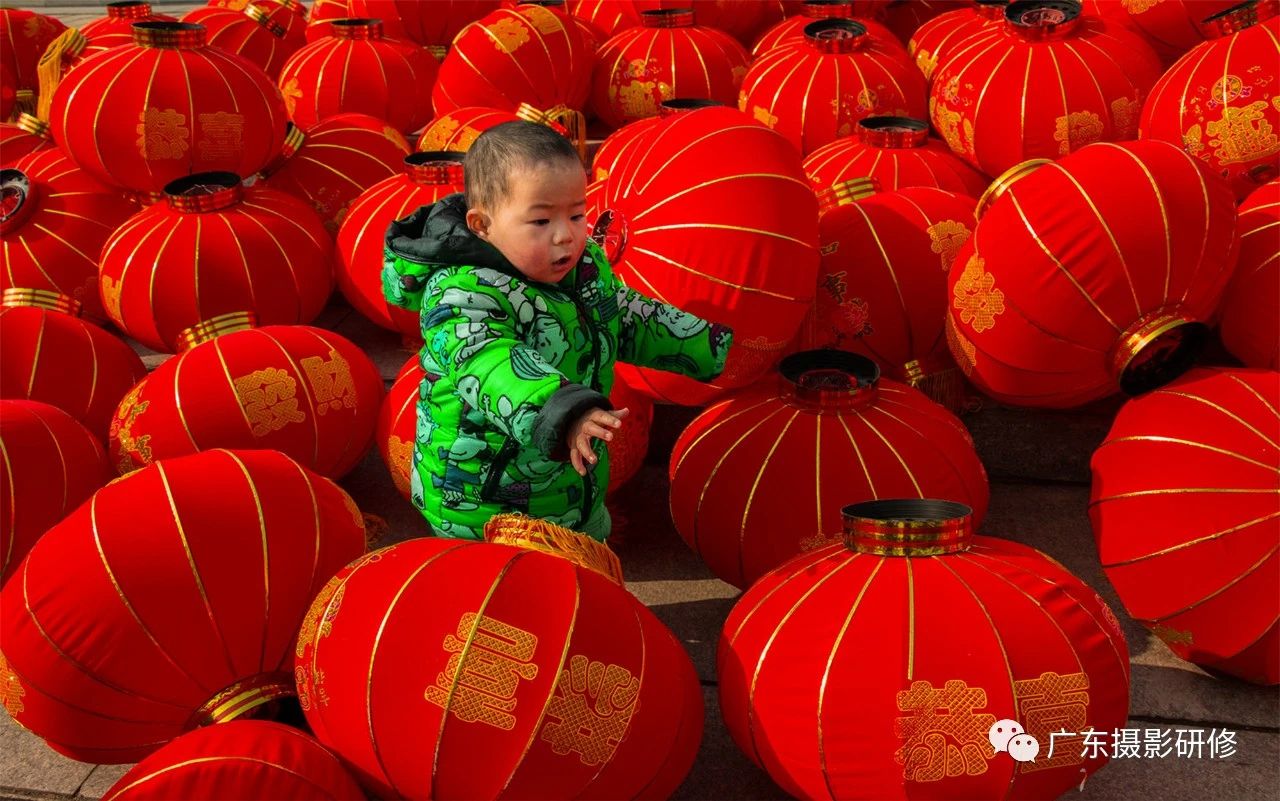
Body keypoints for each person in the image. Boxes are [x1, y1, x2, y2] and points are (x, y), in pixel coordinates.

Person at [383, 121, 733, 542]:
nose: (565, 234)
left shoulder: (581, 270)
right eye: (541, 220)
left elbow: (620, 315)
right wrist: (563, 410)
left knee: (585, 576)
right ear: (482, 225)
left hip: (566, 485)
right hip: (483, 503)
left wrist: (700, 343)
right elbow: (489, 362)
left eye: (576, 214)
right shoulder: (461, 295)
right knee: (508, 598)